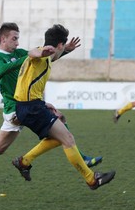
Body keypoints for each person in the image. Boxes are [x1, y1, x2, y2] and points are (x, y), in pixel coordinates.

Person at [0, 22, 102, 178]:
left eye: (18, 39)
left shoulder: (19, 52)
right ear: (3, 39)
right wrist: (27, 56)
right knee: (58, 121)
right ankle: (76, 160)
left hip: (23, 106)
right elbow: (1, 71)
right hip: (15, 108)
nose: (17, 42)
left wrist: (65, 49)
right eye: (14, 38)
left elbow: (43, 58)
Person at [12, 24, 116, 190]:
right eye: (63, 46)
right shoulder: (41, 54)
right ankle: (92, 179)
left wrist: (66, 50)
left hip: (30, 105)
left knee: (58, 133)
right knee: (68, 139)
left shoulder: (47, 57)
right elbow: (33, 53)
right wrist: (41, 51)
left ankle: (24, 162)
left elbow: (50, 57)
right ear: (58, 45)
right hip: (32, 108)